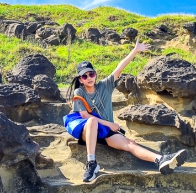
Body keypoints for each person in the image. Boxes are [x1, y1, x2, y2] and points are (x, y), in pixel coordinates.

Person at [63, 41, 186, 182]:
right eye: (84, 76)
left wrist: (135, 50)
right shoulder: (79, 91)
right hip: (89, 131)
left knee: (130, 144)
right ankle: (92, 163)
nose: (89, 78)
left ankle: (160, 160)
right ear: (81, 79)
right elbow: (85, 116)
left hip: (107, 133)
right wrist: (110, 124)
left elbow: (119, 68)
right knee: (91, 121)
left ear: (95, 74)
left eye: (91, 74)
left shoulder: (105, 85)